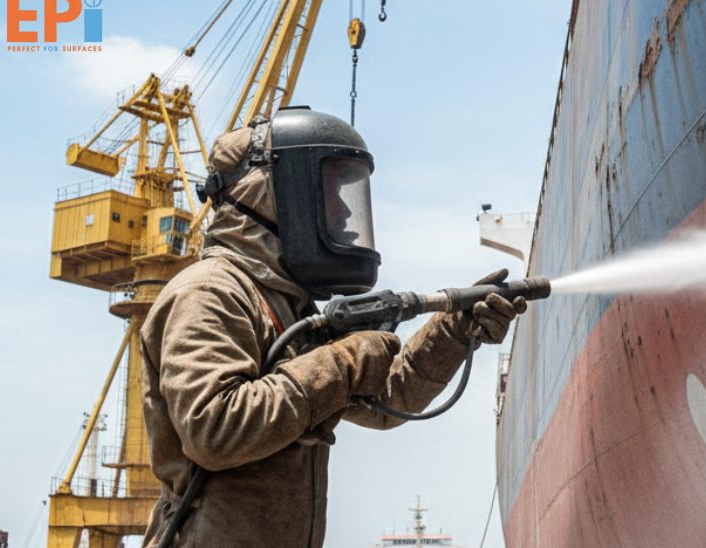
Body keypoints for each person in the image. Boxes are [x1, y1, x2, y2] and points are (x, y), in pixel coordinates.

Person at [139, 107, 526, 547]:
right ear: (273, 194)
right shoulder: (211, 293)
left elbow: (390, 398)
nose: (343, 210)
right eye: (328, 190)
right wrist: (343, 362)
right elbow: (215, 428)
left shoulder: (290, 309)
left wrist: (455, 332)